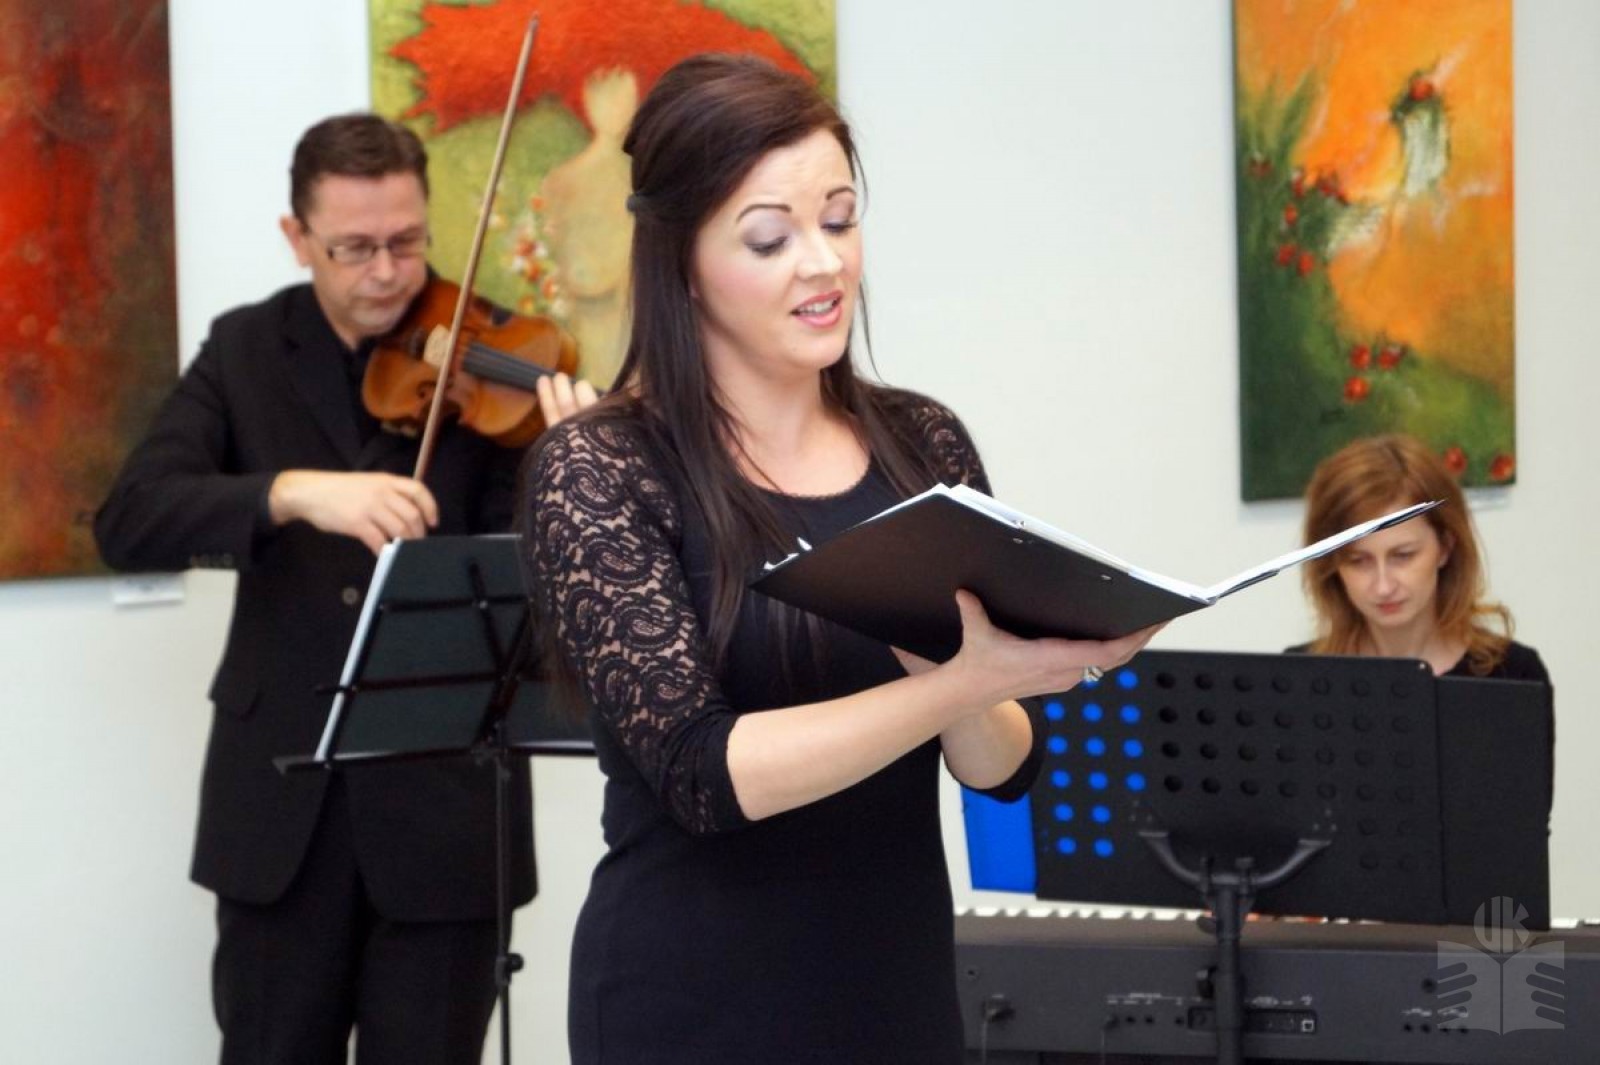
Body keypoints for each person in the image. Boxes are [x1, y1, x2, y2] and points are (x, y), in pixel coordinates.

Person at [519, 54, 1159, 1064]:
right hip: (689, 1003)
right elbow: (701, 775)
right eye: (769, 238)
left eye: (840, 219)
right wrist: (959, 682)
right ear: (681, 259)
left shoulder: (921, 443)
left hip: (894, 989)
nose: (822, 263)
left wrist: (992, 680)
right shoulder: (602, 467)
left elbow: (1000, 768)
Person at [94, 113, 591, 1064]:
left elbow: (536, 565)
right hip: (279, 810)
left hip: (445, 812)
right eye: (354, 247)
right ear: (298, 236)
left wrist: (570, 457)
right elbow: (131, 518)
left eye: (408, 241)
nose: (388, 273)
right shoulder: (243, 348)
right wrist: (289, 492)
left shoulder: (495, 358)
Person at [1292, 433, 1547, 681]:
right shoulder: (1299, 677)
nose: (1383, 587)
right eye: (1358, 561)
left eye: (1403, 556)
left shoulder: (1514, 674)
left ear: (1445, 547)